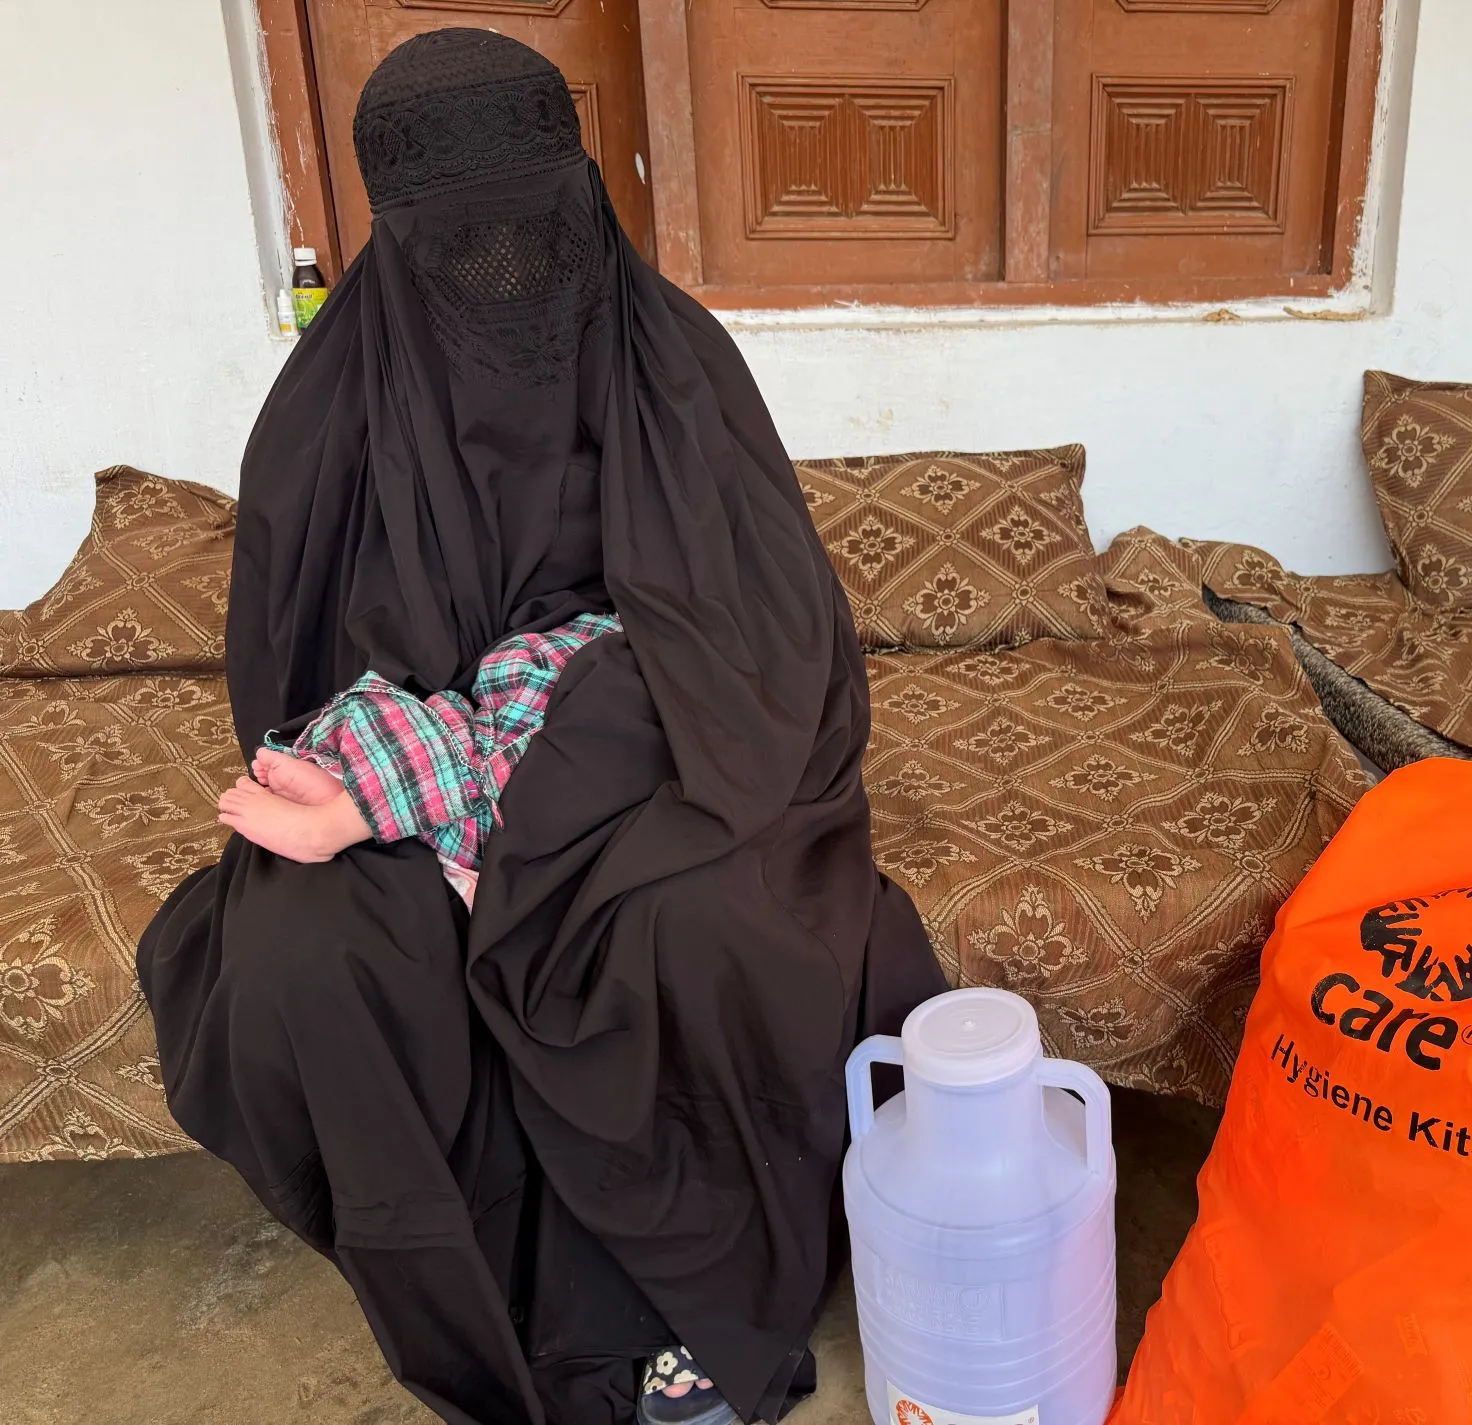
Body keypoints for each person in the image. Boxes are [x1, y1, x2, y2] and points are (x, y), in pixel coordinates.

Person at [138, 28, 946, 1425]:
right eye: (461, 246)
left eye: (532, 232)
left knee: (701, 931)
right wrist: (409, 774)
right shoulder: (329, 414)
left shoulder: (674, 361)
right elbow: (294, 666)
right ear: (390, 230)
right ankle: (492, 1325)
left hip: (653, 746)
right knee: (303, 953)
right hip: (407, 763)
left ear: (581, 194)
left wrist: (548, 762)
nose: (504, 283)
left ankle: (688, 1309)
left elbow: (759, 650)